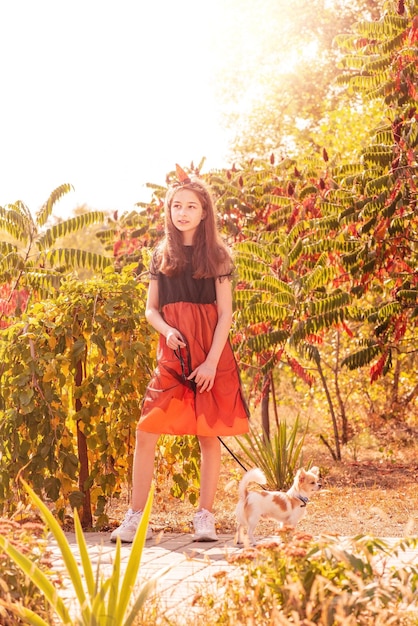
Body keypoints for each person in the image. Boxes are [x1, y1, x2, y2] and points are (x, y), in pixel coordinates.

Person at [111, 168, 249, 543]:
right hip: (173, 355)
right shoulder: (161, 255)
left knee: (208, 435)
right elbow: (150, 310)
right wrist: (166, 329)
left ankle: (204, 516)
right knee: (146, 431)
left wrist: (210, 362)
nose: (183, 212)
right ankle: (137, 517)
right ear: (168, 211)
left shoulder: (219, 256)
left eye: (191, 206)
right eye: (176, 206)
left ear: (205, 212)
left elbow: (226, 315)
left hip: (210, 355)